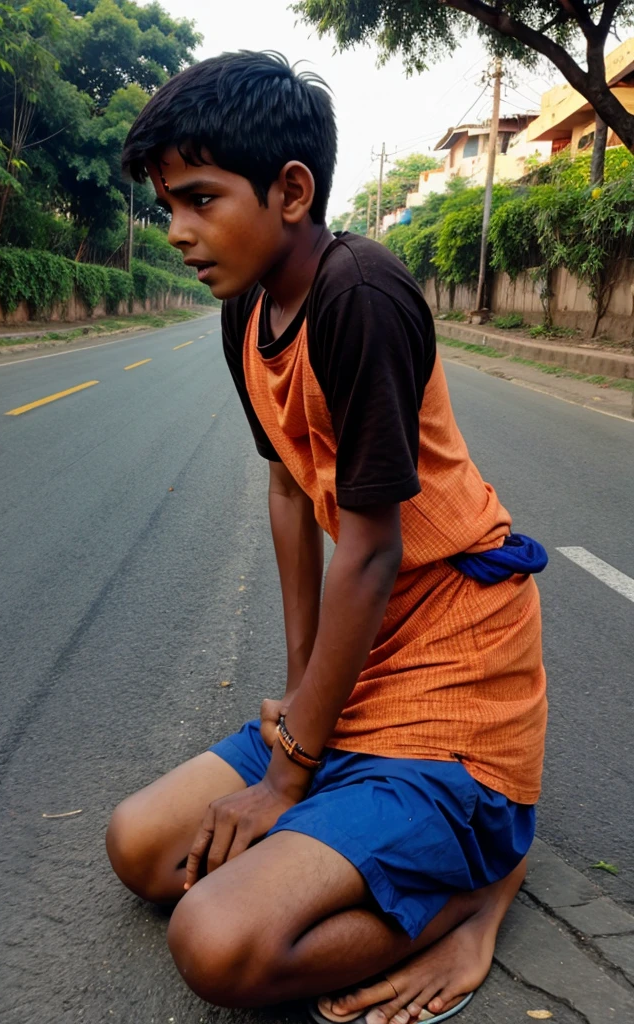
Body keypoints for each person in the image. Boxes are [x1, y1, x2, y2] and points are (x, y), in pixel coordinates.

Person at [106, 51, 548, 1024]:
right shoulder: (244, 308)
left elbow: (374, 544)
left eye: (198, 198)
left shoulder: (361, 294)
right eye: (166, 205)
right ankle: (357, 808)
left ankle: (475, 888)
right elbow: (284, 487)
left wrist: (289, 774)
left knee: (215, 942)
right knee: (139, 847)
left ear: (291, 190)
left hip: (452, 676)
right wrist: (302, 702)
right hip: (360, 664)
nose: (177, 230)